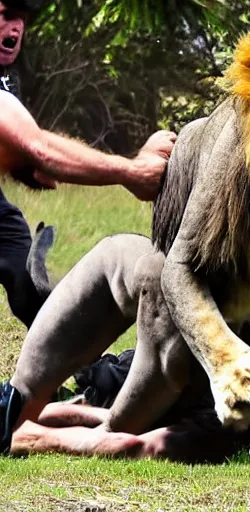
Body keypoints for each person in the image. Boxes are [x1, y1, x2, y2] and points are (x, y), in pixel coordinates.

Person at [0, 0, 176, 327]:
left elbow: (25, 150)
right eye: (6, 16)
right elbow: (39, 147)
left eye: (22, 19)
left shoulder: (7, 78)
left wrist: (28, 168)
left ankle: (86, 370)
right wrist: (132, 171)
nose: (16, 28)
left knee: (29, 281)